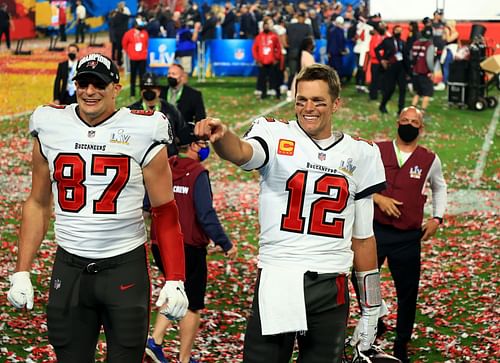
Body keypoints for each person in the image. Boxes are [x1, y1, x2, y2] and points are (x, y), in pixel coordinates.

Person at [194, 64, 387, 363]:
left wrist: (372, 306)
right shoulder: (273, 133)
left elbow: (363, 240)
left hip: (330, 280)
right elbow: (244, 153)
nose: (308, 108)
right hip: (279, 276)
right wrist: (223, 137)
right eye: (301, 100)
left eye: (318, 101)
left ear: (336, 104)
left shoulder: (361, 153)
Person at [7, 53, 189, 362]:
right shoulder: (50, 124)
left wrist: (176, 277)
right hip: (70, 265)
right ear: (74, 85)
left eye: (99, 84)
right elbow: (38, 202)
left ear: (116, 88)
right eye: (84, 83)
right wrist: (21, 270)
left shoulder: (143, 129)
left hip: (124, 266)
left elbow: (165, 209)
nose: (90, 91)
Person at [145, 128, 238, 363]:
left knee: (175, 290)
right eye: (203, 143)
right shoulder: (197, 173)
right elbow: (205, 213)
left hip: (160, 243)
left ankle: (155, 342)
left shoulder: (164, 165)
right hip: (187, 245)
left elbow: (147, 203)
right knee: (192, 304)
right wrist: (225, 243)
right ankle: (183, 358)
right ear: (195, 146)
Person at [372, 106, 447, 362]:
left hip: (407, 237)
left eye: (414, 122)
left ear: (421, 128)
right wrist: (378, 198)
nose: (409, 124)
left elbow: (440, 187)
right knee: (361, 281)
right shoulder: (377, 150)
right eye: (405, 120)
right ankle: (377, 320)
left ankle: (401, 342)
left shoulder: (429, 159)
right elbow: (357, 181)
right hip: (376, 230)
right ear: (397, 122)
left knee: (407, 292)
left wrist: (437, 217)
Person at [128, 72, 185, 156]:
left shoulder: (171, 110)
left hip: (169, 159)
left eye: (152, 88)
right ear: (141, 91)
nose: (148, 91)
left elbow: (182, 133)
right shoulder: (131, 112)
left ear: (158, 91)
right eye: (145, 88)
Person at [375, 24, 409, 115]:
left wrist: (408, 71)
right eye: (397, 30)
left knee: (402, 89)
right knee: (390, 89)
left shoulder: (403, 43)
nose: (399, 32)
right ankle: (383, 105)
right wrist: (381, 60)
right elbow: (377, 49)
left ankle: (401, 109)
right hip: (390, 67)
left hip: (401, 68)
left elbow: (406, 57)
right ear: (393, 31)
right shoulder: (387, 41)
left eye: (400, 30)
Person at [252, 17, 283, 100]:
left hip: (272, 61)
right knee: (262, 78)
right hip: (262, 61)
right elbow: (255, 49)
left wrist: (276, 58)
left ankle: (277, 93)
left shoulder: (274, 36)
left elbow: (278, 47)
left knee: (275, 77)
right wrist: (257, 59)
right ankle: (263, 93)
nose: (266, 27)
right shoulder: (259, 37)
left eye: (267, 25)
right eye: (264, 26)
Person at [410, 26, 435, 116]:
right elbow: (429, 60)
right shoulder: (429, 45)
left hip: (415, 71)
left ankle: (412, 109)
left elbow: (411, 57)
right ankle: (422, 111)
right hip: (424, 72)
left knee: (418, 92)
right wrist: (431, 71)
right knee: (427, 93)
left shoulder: (415, 43)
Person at [122, 17, 149, 97]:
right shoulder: (129, 33)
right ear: (135, 25)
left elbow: (146, 43)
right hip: (133, 58)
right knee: (133, 76)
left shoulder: (145, 33)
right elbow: (124, 44)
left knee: (142, 76)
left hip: (142, 58)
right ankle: (132, 93)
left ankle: (142, 92)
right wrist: (130, 53)